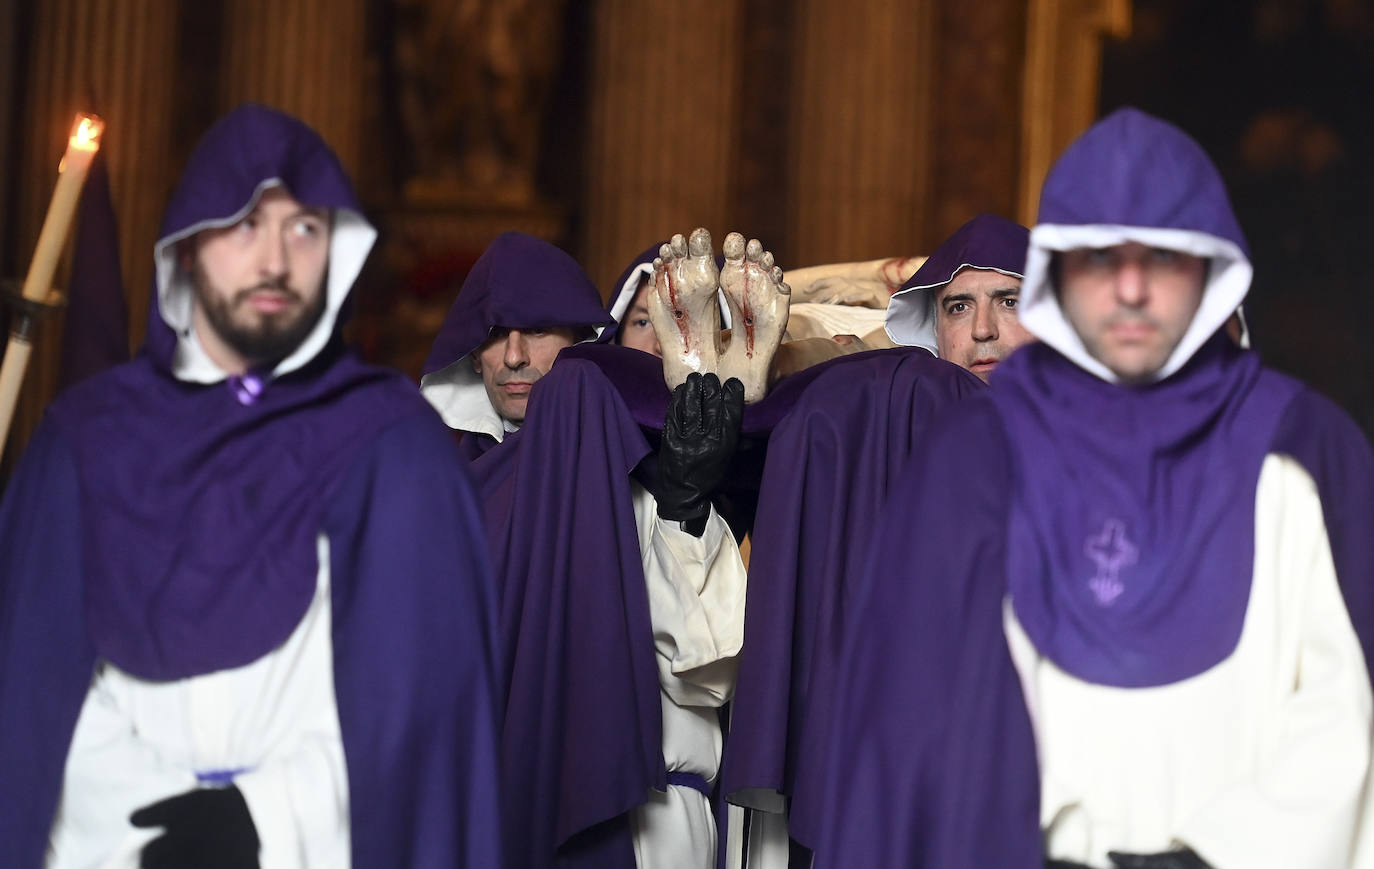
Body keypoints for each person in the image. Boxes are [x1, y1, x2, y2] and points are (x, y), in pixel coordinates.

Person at [812, 107, 1374, 868]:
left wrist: (1219, 850)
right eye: (1101, 260)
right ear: (1060, 279)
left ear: (1211, 274)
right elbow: (909, 736)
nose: (1133, 289)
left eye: (1165, 259)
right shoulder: (973, 459)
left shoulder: (1296, 452)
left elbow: (1340, 719)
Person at [0, 104, 503, 868]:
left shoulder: (398, 452)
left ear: (334, 249)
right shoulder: (85, 442)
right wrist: (141, 823)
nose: (274, 258)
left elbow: (416, 723)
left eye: (303, 228)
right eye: (244, 224)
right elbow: (33, 703)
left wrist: (265, 816)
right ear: (190, 246)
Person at [421, 232, 750, 869]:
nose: (514, 356)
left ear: (582, 345)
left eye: (538, 329)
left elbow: (711, 672)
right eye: (493, 332)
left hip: (643, 823)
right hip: (482, 821)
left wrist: (683, 504)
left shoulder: (643, 477)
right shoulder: (438, 495)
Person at [884, 212, 1035, 382]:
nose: (982, 331)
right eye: (959, 307)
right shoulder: (888, 398)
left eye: (1010, 303)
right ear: (936, 331)